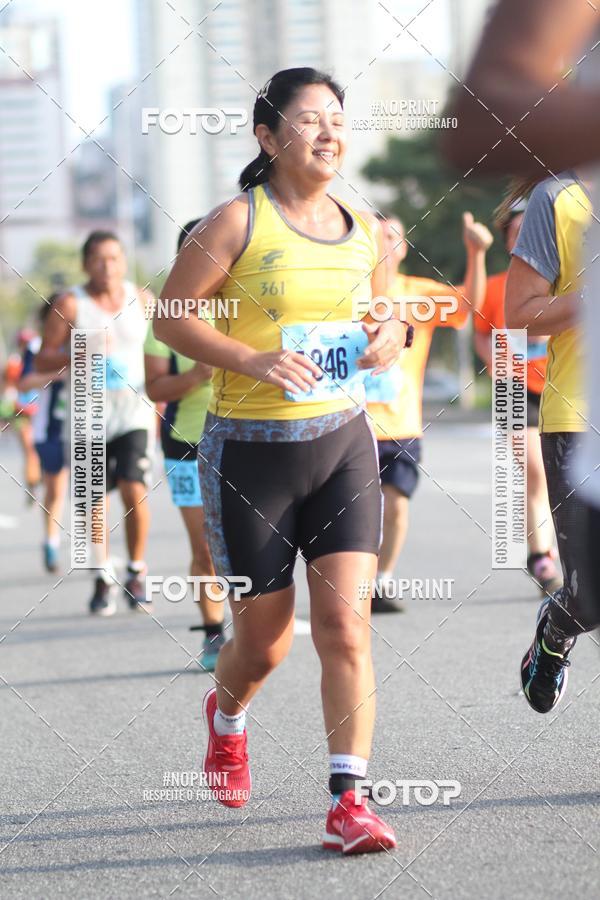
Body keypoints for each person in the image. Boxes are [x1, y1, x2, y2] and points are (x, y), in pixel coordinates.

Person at [155, 67, 408, 853]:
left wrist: (392, 332)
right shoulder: (236, 221)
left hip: (343, 447)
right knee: (264, 644)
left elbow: (388, 312)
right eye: (310, 119)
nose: (329, 131)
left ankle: (349, 801)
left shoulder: (367, 230)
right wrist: (250, 358)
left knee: (345, 627)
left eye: (338, 118)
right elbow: (171, 317)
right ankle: (227, 719)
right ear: (267, 137)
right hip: (250, 458)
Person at [505, 171, 600, 713]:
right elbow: (520, 314)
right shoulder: (558, 198)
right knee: (589, 597)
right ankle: (557, 630)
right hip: (578, 417)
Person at [366, 211, 492, 612]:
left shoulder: (417, 294)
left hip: (400, 426)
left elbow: (467, 305)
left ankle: (381, 581)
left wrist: (475, 253)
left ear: (404, 248)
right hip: (348, 426)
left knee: (396, 505)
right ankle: (348, 582)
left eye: (393, 238)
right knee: (351, 515)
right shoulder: (344, 291)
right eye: (378, 237)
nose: (386, 245)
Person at [36, 231, 155, 616]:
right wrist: (78, 349)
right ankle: (103, 574)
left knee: (134, 488)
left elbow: (160, 347)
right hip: (88, 413)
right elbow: (42, 359)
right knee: (95, 501)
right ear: (86, 264)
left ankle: (136, 571)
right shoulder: (71, 304)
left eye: (115, 258)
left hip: (134, 411)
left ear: (124, 261)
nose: (108, 267)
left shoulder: (142, 299)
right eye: (99, 259)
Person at [144, 219, 225, 671]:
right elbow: (155, 388)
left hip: (245, 438)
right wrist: (195, 376)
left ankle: (255, 627)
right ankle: (213, 631)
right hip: (186, 445)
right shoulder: (167, 319)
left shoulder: (246, 307)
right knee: (205, 547)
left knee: (249, 543)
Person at [473, 205, 562, 597]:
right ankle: (541, 557)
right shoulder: (495, 287)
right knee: (535, 470)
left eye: (532, 230)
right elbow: (480, 333)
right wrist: (493, 361)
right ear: (509, 241)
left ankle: (560, 551)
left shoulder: (563, 281)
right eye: (517, 232)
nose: (525, 237)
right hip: (512, 388)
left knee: (564, 474)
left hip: (559, 384)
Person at [18, 296, 69, 572]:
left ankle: (100, 558)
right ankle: (51, 541)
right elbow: (24, 382)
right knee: (56, 489)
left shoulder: (83, 343)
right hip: (50, 429)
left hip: (87, 427)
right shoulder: (37, 348)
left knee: (95, 492)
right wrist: (58, 375)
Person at [12, 329, 42, 502]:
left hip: (39, 412)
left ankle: (39, 477)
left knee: (38, 450)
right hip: (22, 413)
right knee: (30, 451)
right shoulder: (15, 364)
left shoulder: (40, 360)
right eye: (23, 343)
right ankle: (32, 486)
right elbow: (7, 389)